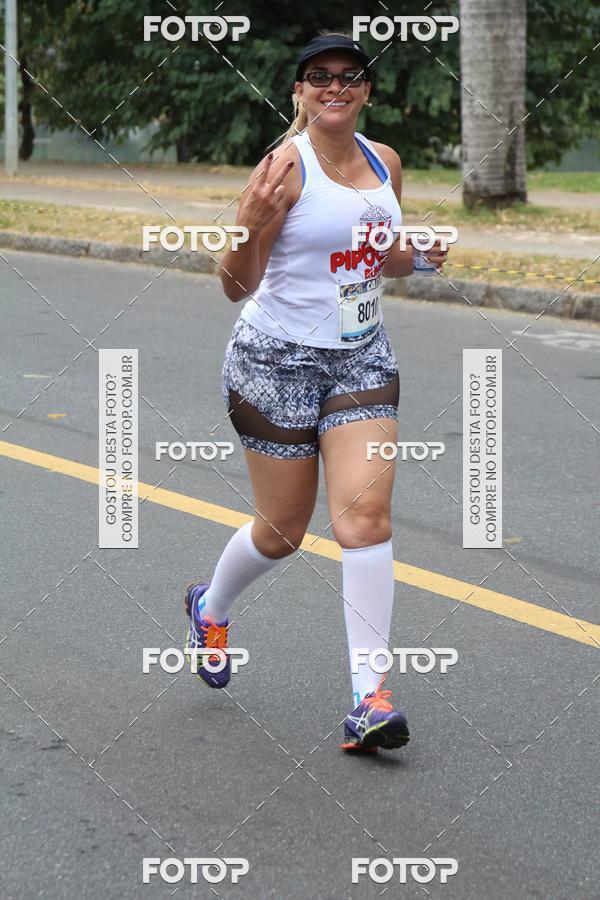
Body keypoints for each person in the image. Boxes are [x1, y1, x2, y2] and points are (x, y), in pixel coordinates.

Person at [184, 32, 448, 752]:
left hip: (361, 360)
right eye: (319, 76)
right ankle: (210, 606)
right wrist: (249, 228)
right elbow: (234, 283)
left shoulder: (384, 162)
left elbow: (381, 255)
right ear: (298, 92)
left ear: (366, 89)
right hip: (274, 364)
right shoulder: (280, 170)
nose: (336, 85)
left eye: (350, 75)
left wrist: (418, 259)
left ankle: (370, 699)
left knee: (364, 520)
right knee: (282, 532)